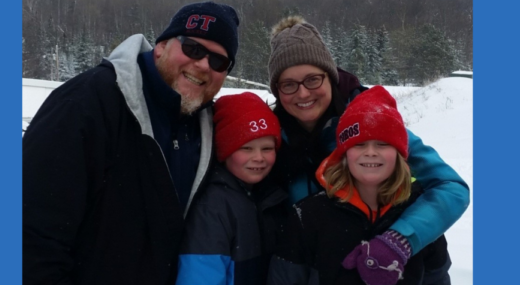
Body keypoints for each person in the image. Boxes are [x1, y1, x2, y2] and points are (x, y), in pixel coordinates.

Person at [22, 1, 240, 285]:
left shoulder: (207, 126)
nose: (202, 64)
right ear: (161, 46)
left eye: (218, 61)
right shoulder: (86, 104)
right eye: (193, 48)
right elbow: (30, 237)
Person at [266, 16, 469, 283]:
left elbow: (451, 188)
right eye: (289, 84)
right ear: (277, 89)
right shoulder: (267, 138)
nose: (303, 94)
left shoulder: (369, 125)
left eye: (313, 79)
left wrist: (402, 238)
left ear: (331, 77)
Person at [267, 86, 451, 285]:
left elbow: (437, 278)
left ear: (400, 154)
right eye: (359, 144)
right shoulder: (308, 216)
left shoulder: (420, 213)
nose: (371, 152)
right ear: (343, 154)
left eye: (382, 144)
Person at [175, 92, 288, 285]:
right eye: (246, 148)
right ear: (224, 150)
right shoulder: (212, 206)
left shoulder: (270, 196)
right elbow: (200, 275)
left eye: (267, 148)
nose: (259, 158)